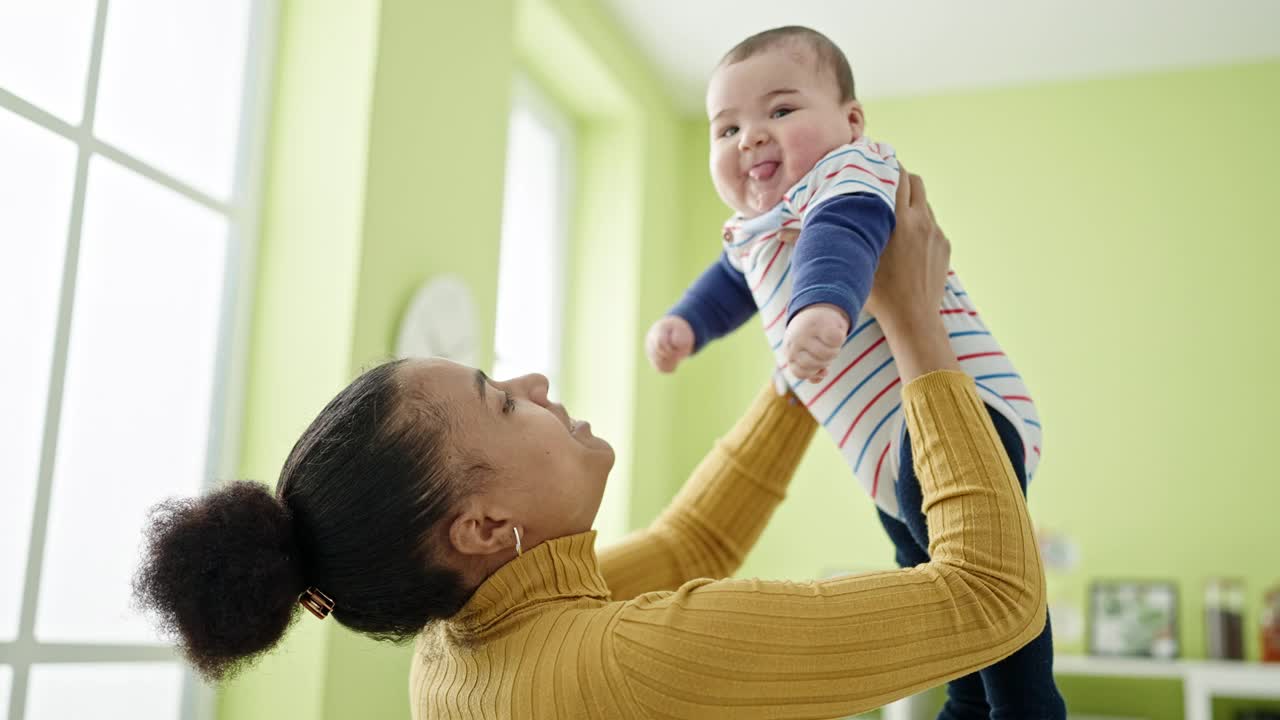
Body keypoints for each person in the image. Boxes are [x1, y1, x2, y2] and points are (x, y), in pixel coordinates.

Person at [134, 168, 1048, 718]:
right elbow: (994, 598)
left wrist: (812, 353)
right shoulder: (620, 664)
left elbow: (695, 549)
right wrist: (914, 326)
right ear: (484, 528)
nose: (534, 385)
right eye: (500, 404)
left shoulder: (461, 649)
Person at [644, 26, 1063, 719]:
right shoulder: (755, 231)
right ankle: (966, 697)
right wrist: (685, 326)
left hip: (968, 414)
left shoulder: (850, 175)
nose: (750, 137)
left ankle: (1026, 703)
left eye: (780, 111)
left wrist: (819, 312)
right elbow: (728, 284)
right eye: (727, 128)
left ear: (851, 121)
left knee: (986, 570)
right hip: (891, 446)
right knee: (928, 579)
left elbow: (843, 236)